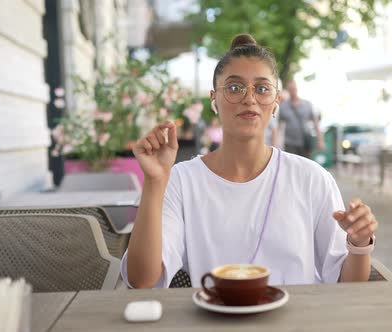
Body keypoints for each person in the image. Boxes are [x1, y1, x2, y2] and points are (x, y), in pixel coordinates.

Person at [123, 34, 378, 289]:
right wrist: (155, 182)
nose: (249, 98)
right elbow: (142, 279)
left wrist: (359, 244)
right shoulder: (181, 180)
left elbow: (348, 284)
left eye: (262, 88)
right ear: (214, 99)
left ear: (276, 102)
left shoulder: (311, 178)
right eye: (234, 87)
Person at [278, 80, 325, 158]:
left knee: (306, 165)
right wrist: (276, 144)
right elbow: (278, 127)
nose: (293, 90)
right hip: (290, 143)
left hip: (305, 142)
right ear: (288, 90)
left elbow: (316, 124)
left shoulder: (307, 104)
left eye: (294, 88)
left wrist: (320, 140)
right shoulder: (283, 106)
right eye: (290, 89)